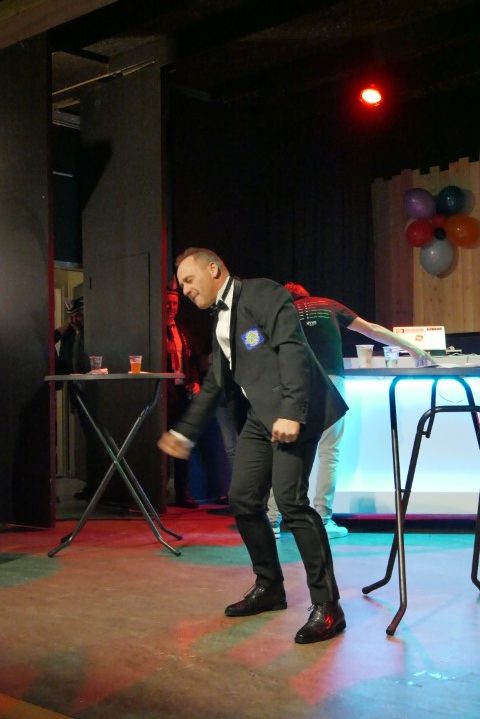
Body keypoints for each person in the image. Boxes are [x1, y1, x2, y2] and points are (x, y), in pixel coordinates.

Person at [158, 247, 349, 644]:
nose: (186, 290)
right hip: (262, 417)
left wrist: (292, 412)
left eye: (189, 280)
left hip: (297, 411)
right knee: (243, 498)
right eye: (182, 285)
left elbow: (292, 348)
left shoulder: (263, 293)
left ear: (214, 269)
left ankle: (328, 607)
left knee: (291, 503)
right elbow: (215, 382)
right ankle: (270, 587)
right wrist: (184, 432)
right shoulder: (220, 319)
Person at [267, 283, 434, 540]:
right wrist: (414, 349)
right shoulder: (328, 305)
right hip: (330, 382)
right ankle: (322, 520)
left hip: (293, 385)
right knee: (329, 452)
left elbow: (255, 343)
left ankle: (271, 521)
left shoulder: (280, 312)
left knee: (286, 451)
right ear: (306, 295)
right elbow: (371, 329)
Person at [165, 285, 202, 508]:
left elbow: (194, 361)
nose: (171, 308)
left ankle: (182, 492)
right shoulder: (155, 331)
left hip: (182, 394)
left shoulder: (183, 331)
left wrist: (195, 381)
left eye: (175, 304)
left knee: (182, 443)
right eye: (167, 303)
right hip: (163, 396)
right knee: (161, 445)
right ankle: (159, 492)